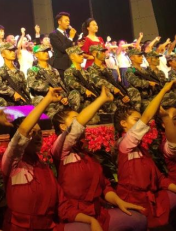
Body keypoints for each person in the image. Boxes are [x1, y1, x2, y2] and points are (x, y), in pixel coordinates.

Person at [1, 88, 102, 231]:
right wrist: (47, 100)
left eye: (39, 133)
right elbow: (21, 133)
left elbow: (63, 207)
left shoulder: (44, 170)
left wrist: (91, 220)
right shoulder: (12, 165)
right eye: (32, 133)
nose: (37, 136)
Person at [52, 87, 148, 231]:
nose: (83, 122)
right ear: (62, 126)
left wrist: (119, 202)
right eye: (76, 118)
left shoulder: (87, 155)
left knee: (139, 219)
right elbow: (75, 128)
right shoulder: (60, 152)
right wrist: (101, 99)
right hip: (75, 216)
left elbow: (105, 186)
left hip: (98, 212)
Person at [114, 81, 176, 230]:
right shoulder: (124, 145)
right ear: (123, 124)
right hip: (134, 201)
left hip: (152, 199)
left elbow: (160, 179)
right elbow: (147, 117)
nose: (141, 123)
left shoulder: (141, 150)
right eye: (136, 120)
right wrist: (163, 90)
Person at [87, 45, 142, 111]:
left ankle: (136, 112)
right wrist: (113, 88)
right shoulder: (91, 69)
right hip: (104, 94)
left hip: (116, 93)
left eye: (104, 52)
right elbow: (99, 82)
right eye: (101, 52)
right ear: (94, 53)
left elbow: (115, 82)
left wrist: (122, 93)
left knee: (133, 91)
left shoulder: (107, 69)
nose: (104, 53)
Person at [27, 45, 69, 119]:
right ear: (36, 55)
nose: (46, 53)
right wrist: (48, 88)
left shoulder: (54, 70)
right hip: (44, 99)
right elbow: (32, 84)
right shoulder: (33, 70)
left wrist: (64, 96)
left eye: (47, 51)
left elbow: (61, 85)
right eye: (43, 52)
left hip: (58, 98)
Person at [63, 46, 108, 114]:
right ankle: (75, 114)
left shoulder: (85, 72)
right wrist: (84, 90)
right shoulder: (69, 71)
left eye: (82, 54)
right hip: (77, 98)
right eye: (79, 54)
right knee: (75, 93)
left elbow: (92, 84)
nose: (82, 56)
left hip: (88, 99)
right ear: (72, 57)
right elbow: (71, 83)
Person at [49, 12, 78, 78]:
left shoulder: (67, 35)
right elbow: (62, 49)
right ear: (59, 22)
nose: (68, 23)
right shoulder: (53, 34)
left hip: (71, 64)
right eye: (66, 21)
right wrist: (71, 37)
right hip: (61, 66)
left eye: (69, 21)